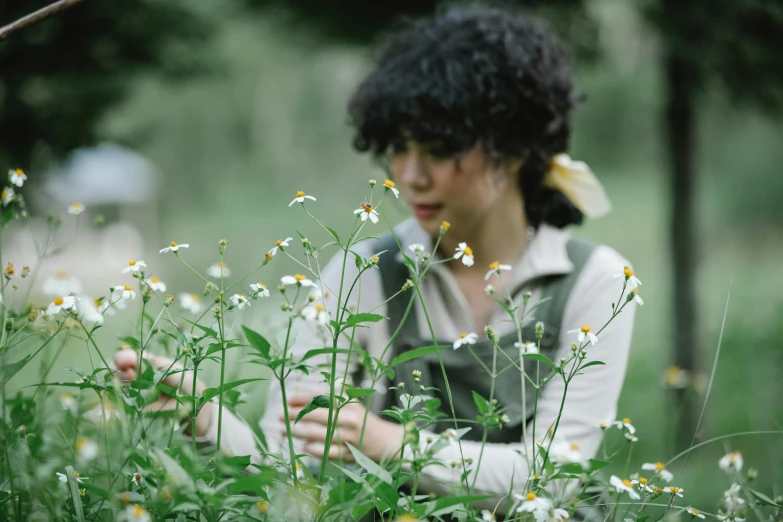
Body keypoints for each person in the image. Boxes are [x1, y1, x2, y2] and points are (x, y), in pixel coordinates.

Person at [114, 5, 637, 516]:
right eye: (398, 148)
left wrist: (391, 442)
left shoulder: (596, 282)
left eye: (436, 149)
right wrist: (208, 417)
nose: (410, 175)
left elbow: (553, 481)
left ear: (514, 147)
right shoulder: (358, 275)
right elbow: (285, 471)